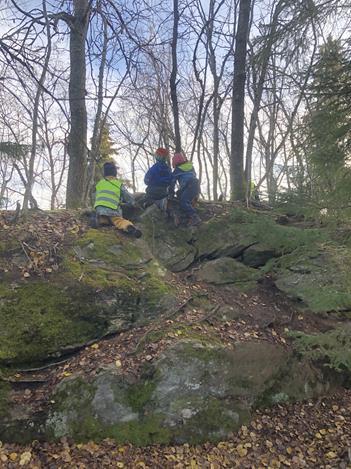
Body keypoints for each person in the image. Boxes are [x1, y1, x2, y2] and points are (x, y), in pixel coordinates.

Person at [94, 161, 142, 238]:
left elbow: (96, 197)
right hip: (112, 210)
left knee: (102, 214)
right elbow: (127, 196)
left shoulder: (99, 183)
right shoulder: (118, 184)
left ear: (105, 173)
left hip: (99, 209)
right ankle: (129, 227)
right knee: (119, 221)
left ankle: (103, 220)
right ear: (115, 173)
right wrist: (133, 203)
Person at [170, 152, 201, 226]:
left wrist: (171, 192)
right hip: (196, 185)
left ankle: (194, 217)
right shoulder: (191, 166)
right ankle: (192, 202)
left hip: (189, 186)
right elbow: (193, 176)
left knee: (183, 202)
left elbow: (172, 182)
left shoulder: (177, 170)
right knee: (180, 194)